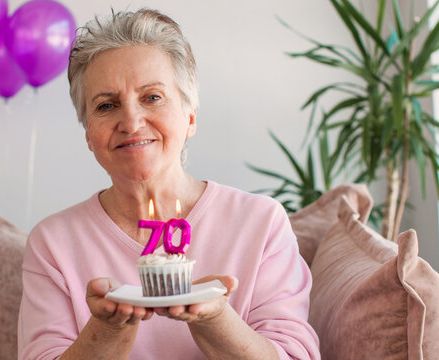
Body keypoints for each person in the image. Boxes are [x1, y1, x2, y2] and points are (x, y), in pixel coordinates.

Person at [18, 8, 320, 360]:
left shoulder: (261, 222)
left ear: (190, 117)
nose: (131, 122)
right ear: (89, 134)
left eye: (152, 97)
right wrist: (108, 328)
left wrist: (215, 317)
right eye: (106, 105)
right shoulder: (53, 243)